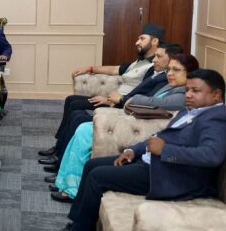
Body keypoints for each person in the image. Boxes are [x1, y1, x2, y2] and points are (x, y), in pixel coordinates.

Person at [44, 69, 226, 231]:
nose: (188, 95)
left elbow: (212, 155)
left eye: (196, 91)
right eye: (187, 90)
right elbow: (159, 137)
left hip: (170, 176)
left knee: (98, 177)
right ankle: (77, 225)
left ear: (216, 95)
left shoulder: (217, 118)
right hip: (153, 164)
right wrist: (132, 151)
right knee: (92, 165)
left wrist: (165, 151)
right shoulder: (192, 111)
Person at [50, 53, 198, 202]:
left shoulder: (183, 94)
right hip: (131, 120)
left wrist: (125, 99)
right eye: (169, 69)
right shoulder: (169, 85)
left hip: (139, 129)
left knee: (84, 130)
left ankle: (71, 188)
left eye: (176, 70)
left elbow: (152, 102)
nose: (170, 73)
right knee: (82, 127)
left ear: (190, 73)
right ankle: (65, 183)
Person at [41, 43, 181, 176]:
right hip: (120, 103)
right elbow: (118, 70)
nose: (155, 59)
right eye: (155, 56)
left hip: (124, 111)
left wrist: (117, 101)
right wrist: (92, 69)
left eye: (159, 56)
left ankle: (60, 161)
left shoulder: (164, 80)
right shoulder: (148, 67)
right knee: (73, 104)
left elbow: (147, 100)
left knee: (77, 114)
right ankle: (59, 151)